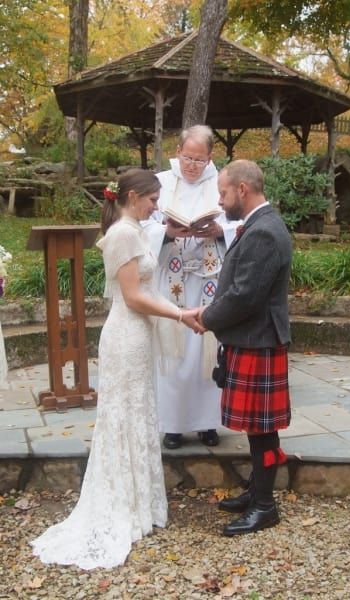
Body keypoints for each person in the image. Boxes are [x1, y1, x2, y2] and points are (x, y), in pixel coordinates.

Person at [31, 168, 201, 570]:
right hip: (125, 337)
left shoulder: (136, 229)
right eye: (152, 199)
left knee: (138, 414)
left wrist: (182, 313)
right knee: (122, 417)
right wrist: (180, 313)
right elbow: (134, 297)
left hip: (137, 336)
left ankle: (139, 502)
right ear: (131, 196)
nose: (157, 206)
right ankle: (122, 504)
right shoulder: (123, 234)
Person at [198, 159, 292, 536]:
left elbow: (244, 297)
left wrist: (204, 318)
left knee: (262, 429)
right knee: (258, 427)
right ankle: (257, 491)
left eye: (222, 193)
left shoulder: (264, 231)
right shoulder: (258, 225)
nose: (220, 201)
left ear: (242, 189)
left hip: (258, 340)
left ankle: (265, 506)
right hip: (252, 338)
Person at [143, 125, 238, 450]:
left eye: (199, 159)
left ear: (210, 157)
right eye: (187, 157)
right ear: (178, 151)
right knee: (174, 351)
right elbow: (144, 223)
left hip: (209, 279)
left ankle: (208, 424)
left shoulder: (222, 182)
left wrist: (218, 230)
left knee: (206, 352)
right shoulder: (161, 182)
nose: (192, 165)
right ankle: (173, 425)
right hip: (172, 281)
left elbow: (240, 221)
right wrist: (168, 233)